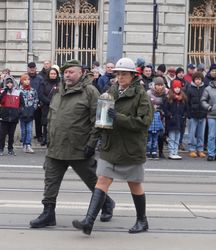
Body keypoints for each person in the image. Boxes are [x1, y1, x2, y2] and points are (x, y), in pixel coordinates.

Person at [29, 59, 115, 229]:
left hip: (80, 148)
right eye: (65, 72)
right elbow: (53, 116)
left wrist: (92, 143)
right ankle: (48, 213)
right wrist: (49, 137)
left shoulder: (90, 92)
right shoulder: (59, 90)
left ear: (81, 73)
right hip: (56, 146)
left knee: (92, 180)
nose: (67, 75)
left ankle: (106, 204)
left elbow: (99, 120)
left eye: (71, 72)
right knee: (50, 180)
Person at [72, 57, 153, 235]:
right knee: (102, 180)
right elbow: (101, 121)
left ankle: (142, 220)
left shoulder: (141, 95)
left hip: (130, 148)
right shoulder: (111, 91)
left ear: (133, 75)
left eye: (124, 74)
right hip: (111, 146)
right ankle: (89, 221)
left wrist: (119, 117)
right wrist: (92, 142)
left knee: (134, 184)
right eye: (118, 74)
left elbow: (143, 123)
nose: (120, 77)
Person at [0, 76, 23, 156]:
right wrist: (4, 91)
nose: (9, 84)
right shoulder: (2, 91)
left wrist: (18, 112)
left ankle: (10, 148)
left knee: (11, 135)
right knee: (2, 134)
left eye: (11, 83)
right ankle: (1, 148)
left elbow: (22, 104)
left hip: (14, 116)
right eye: (8, 83)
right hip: (4, 115)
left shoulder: (18, 92)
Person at [163, 80, 187, 160]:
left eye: (178, 87)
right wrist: (170, 115)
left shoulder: (183, 98)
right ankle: (171, 152)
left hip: (180, 121)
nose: (177, 89)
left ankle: (175, 152)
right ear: (172, 88)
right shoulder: (169, 98)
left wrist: (184, 115)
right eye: (175, 87)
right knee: (172, 138)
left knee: (177, 138)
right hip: (171, 121)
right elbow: (165, 109)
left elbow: (186, 109)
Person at [186, 72, 207, 158]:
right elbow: (187, 103)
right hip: (193, 115)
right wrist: (189, 114)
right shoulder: (190, 89)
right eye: (196, 79)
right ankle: (192, 149)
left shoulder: (205, 89)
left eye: (199, 79)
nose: (198, 81)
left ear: (201, 80)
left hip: (202, 114)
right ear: (194, 80)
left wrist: (206, 112)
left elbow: (207, 101)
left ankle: (200, 150)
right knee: (192, 133)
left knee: (201, 134)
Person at [201, 71, 216, 161]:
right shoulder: (208, 89)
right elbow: (203, 100)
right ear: (215, 80)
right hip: (212, 115)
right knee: (212, 135)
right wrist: (208, 107)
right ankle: (211, 153)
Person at [39, 67, 60, 146]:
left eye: (54, 74)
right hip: (46, 106)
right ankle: (45, 138)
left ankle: (54, 139)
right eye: (51, 74)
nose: (53, 75)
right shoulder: (43, 82)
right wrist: (49, 102)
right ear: (49, 74)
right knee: (45, 122)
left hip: (57, 107)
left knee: (55, 123)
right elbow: (41, 94)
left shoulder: (60, 83)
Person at [146, 77, 167, 159]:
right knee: (150, 135)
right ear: (154, 85)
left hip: (161, 115)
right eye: (158, 85)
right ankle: (148, 151)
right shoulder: (148, 93)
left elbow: (166, 104)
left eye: (161, 85)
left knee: (160, 134)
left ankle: (160, 151)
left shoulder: (165, 93)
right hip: (151, 115)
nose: (159, 87)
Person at [19, 74, 39, 153]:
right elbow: (18, 102)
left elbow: (36, 100)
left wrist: (33, 108)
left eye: (28, 79)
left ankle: (28, 144)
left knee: (29, 130)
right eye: (25, 79)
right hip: (22, 113)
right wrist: (20, 109)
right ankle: (24, 144)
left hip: (30, 112)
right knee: (23, 130)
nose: (27, 81)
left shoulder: (33, 90)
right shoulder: (19, 90)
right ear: (22, 81)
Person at [27, 62, 43, 142]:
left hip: (37, 102)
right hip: (27, 103)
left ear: (35, 68)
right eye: (30, 67)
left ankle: (39, 135)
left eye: (33, 67)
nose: (32, 69)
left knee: (38, 120)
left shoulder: (40, 78)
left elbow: (41, 90)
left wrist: (40, 101)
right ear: (28, 68)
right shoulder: (25, 77)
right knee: (27, 120)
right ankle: (25, 136)